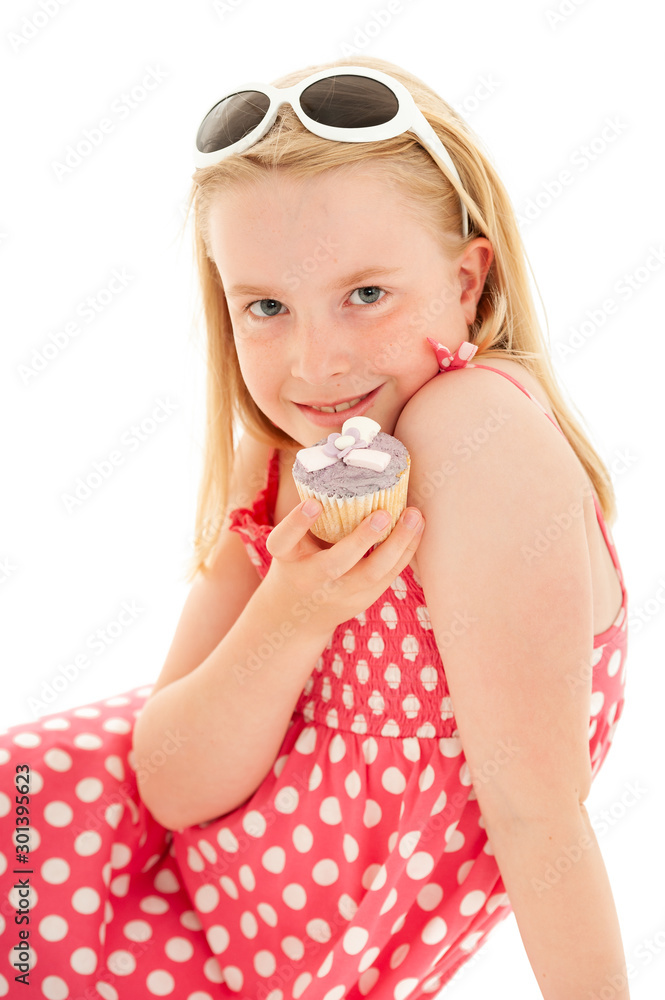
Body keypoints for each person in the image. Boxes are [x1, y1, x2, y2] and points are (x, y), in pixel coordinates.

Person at [0, 55, 630, 1000]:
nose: (315, 363)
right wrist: (292, 612)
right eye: (265, 307)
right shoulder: (279, 459)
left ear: (467, 280)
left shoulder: (474, 432)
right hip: (86, 881)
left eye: (365, 295)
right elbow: (170, 785)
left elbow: (539, 818)